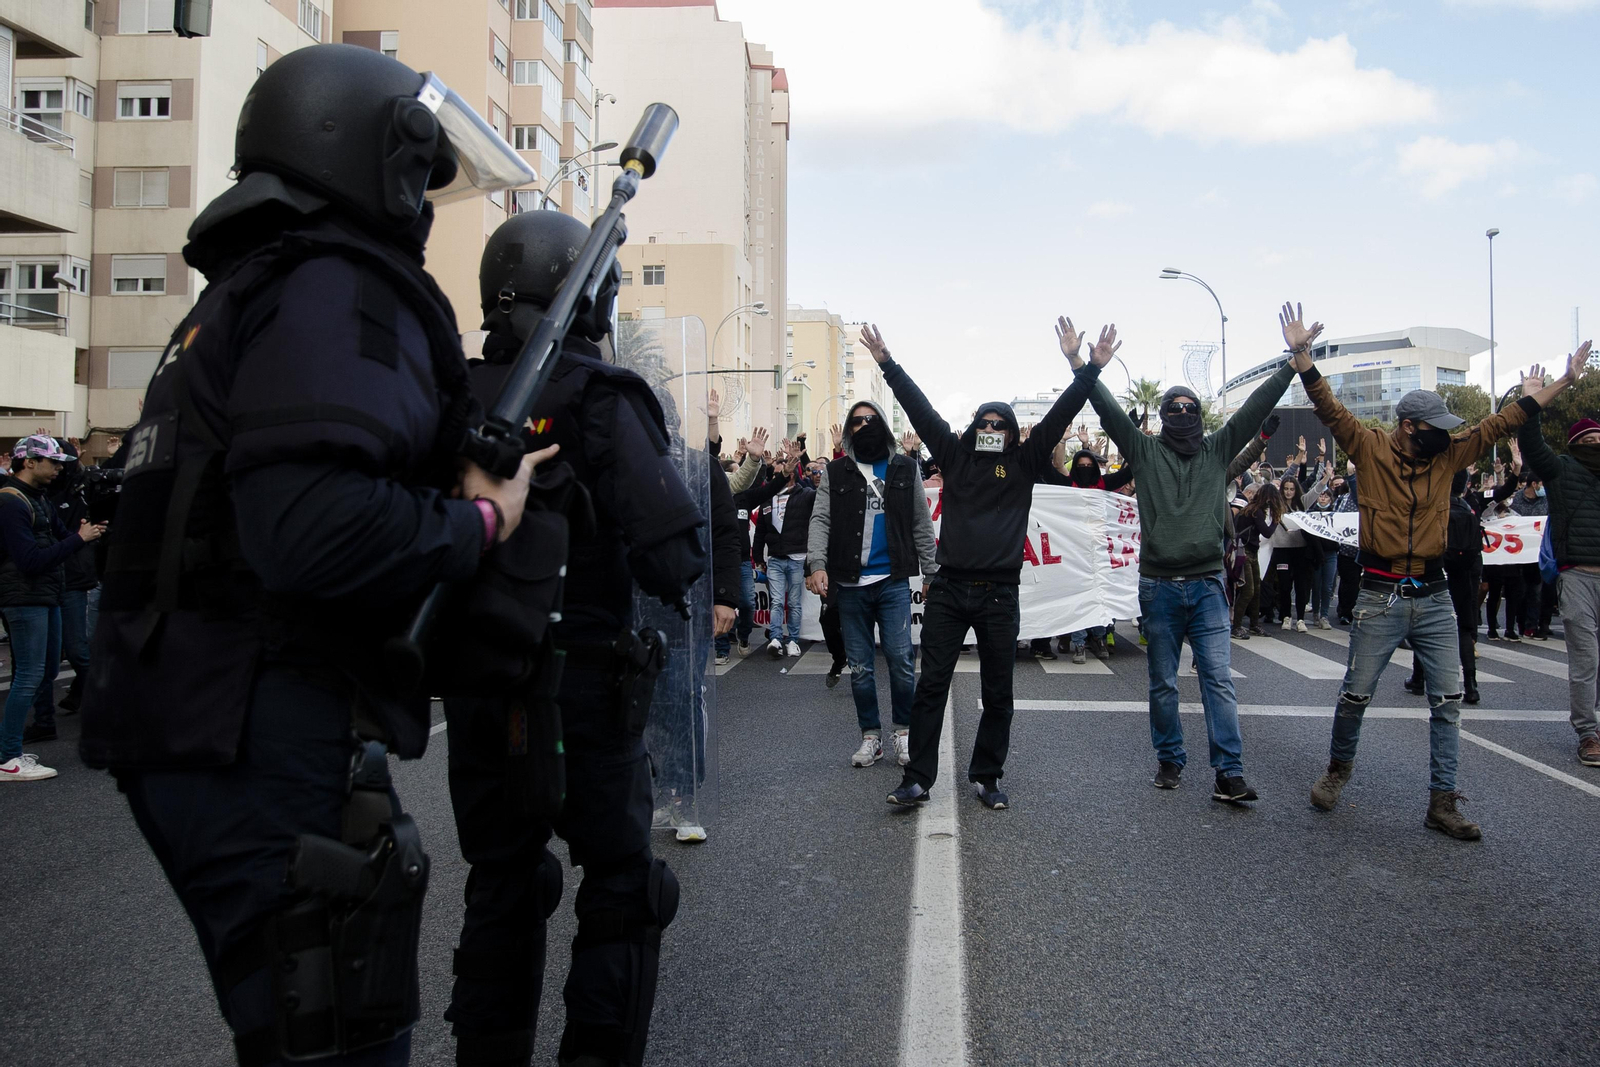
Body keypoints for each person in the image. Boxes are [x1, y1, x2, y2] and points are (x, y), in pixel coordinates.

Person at [78, 45, 549, 1065]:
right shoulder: (339, 287)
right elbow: (315, 531)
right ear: (371, 157)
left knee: (306, 1017)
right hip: (252, 709)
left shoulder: (254, 290)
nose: (424, 202)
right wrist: (480, 521)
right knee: (333, 1023)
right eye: (418, 176)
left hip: (194, 705)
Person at [443, 209, 708, 1067]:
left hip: (483, 688)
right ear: (589, 297)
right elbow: (673, 555)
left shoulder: (449, 398)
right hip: (585, 691)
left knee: (502, 885)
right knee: (626, 886)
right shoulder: (602, 395)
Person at [1305, 333, 1591, 841]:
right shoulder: (1369, 448)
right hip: (1379, 592)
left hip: (1435, 594)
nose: (1449, 436)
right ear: (1409, 427)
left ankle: (1442, 801)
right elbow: (1329, 408)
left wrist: (1565, 381)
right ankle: (1338, 771)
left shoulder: (1449, 455)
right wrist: (1302, 357)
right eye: (1437, 428)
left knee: (1449, 699)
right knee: (1355, 695)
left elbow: (1504, 421)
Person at [866, 315, 1104, 810]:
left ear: (1014, 435)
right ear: (973, 427)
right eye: (985, 422)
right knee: (930, 686)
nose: (991, 429)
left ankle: (987, 775)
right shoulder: (952, 456)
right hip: (949, 591)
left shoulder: (1022, 463)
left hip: (1000, 595)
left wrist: (1084, 368)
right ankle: (918, 779)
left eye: (1001, 425)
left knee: (1000, 692)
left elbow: (1060, 415)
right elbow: (921, 408)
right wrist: (887, 364)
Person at [1087, 306, 1311, 803]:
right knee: (1163, 683)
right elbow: (1103, 409)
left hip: (1209, 585)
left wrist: (1291, 360)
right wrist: (1089, 368)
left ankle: (1229, 772)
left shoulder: (1216, 450)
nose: (1184, 414)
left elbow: (1253, 409)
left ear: (1202, 417)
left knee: (1218, 682)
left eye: (1191, 408)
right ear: (1164, 417)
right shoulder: (1144, 452)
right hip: (1160, 587)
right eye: (1175, 409)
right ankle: (1170, 759)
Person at [806, 399, 939, 769]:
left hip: (893, 581)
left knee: (899, 659)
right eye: (857, 421)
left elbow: (920, 524)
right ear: (849, 429)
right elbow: (820, 521)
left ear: (882, 423)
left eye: (871, 419)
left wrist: (931, 573)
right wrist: (817, 563)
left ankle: (903, 732)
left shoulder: (905, 468)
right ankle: (870, 737)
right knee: (861, 667)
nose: (865, 425)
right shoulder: (836, 472)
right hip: (849, 585)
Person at [0, 435, 105, 777]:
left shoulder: (38, 497)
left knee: (44, 672)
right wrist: (79, 538)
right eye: (53, 462)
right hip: (25, 597)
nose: (59, 468)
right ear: (29, 462)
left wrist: (90, 529)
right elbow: (30, 560)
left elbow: (66, 535)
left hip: (46, 594)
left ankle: (9, 748)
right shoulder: (11, 502)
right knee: (30, 675)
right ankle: (8, 757)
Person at [1515, 351, 1600, 767]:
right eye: (1587, 441)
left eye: (1599, 439)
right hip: (1578, 579)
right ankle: (1588, 734)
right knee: (1585, 661)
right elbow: (1532, 445)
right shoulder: (1562, 470)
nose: (1594, 444)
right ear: (1572, 446)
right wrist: (1532, 402)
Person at [1403, 469, 1484, 705]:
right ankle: (1471, 685)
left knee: (1423, 626)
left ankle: (1419, 678)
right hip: (1464, 577)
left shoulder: (1432, 511)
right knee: (1464, 631)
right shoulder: (1469, 511)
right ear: (1465, 486)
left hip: (1435, 574)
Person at [752, 449, 815, 658]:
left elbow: (821, 489)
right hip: (775, 559)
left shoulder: (805, 495)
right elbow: (760, 531)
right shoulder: (767, 501)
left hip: (797, 558)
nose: (774, 478)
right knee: (777, 601)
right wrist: (759, 557)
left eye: (779, 474)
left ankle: (793, 640)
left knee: (794, 603)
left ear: (790, 475)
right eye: (773, 475)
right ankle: (776, 638)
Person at [1233, 483, 1284, 639]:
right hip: (1247, 553)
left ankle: (1254, 624)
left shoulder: (1251, 508)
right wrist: (1276, 519)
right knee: (1249, 591)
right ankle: (1236, 626)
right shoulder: (1257, 512)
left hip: (1247, 551)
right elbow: (1267, 533)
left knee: (1256, 590)